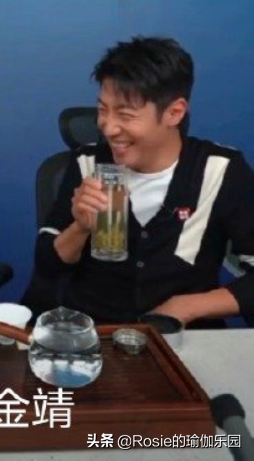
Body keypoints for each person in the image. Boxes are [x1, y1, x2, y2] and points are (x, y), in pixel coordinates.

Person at [35, 36, 254, 327]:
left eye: (125, 115)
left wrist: (185, 307)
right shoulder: (88, 163)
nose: (108, 128)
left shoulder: (220, 170)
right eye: (102, 110)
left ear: (174, 112)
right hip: (94, 332)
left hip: (180, 335)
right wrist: (80, 227)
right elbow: (47, 267)